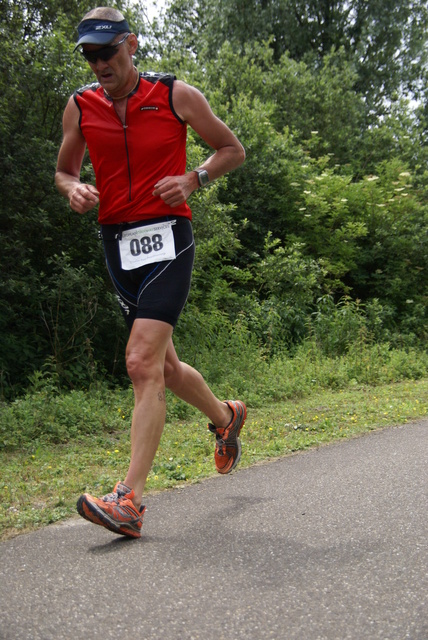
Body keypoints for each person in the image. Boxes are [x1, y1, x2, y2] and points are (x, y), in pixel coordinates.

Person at [55, 6, 247, 539]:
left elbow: (232, 149)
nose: (99, 64)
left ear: (131, 45)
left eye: (107, 52)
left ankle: (130, 501)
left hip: (168, 239)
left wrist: (194, 179)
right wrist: (73, 188)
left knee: (140, 362)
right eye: (90, 56)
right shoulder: (80, 105)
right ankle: (226, 416)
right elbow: (64, 169)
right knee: (161, 369)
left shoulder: (174, 95)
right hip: (117, 246)